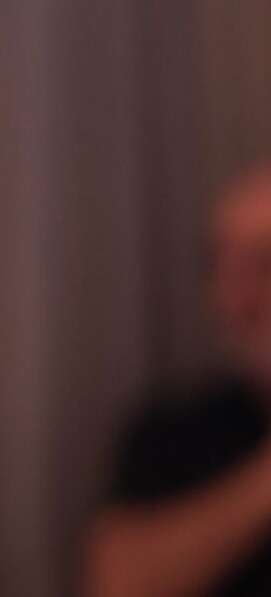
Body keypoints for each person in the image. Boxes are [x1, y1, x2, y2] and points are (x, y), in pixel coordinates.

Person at [83, 161, 271, 597]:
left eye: (265, 264)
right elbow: (116, 585)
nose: (234, 299)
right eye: (219, 267)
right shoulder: (172, 432)